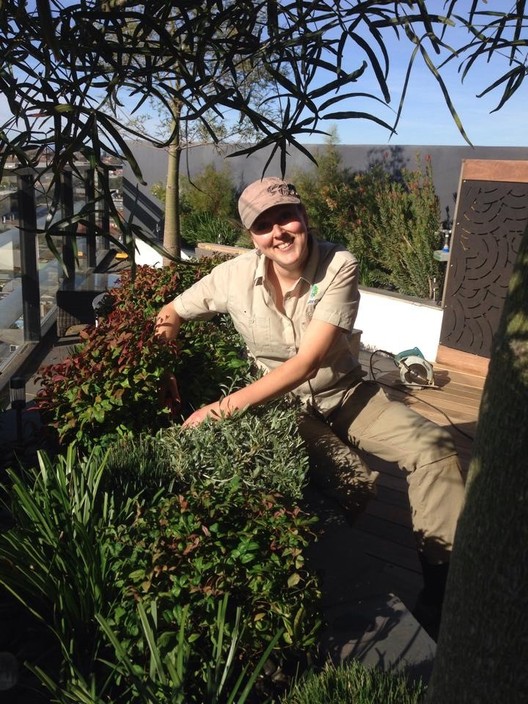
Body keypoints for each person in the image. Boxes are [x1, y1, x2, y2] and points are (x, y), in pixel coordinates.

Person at [155, 176, 466, 640]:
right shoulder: (233, 276)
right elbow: (171, 311)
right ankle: (319, 576)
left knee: (437, 449)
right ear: (252, 237)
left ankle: (440, 595)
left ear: (304, 217)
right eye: (263, 225)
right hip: (283, 406)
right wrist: (164, 369)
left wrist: (220, 408)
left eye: (286, 216)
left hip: (345, 393)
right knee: (355, 485)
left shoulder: (339, 264)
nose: (278, 231)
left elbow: (308, 362)